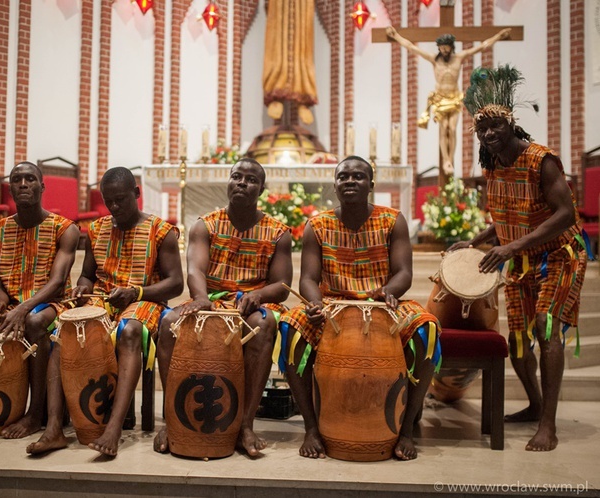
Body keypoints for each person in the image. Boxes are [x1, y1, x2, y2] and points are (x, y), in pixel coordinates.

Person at [452, 65, 590, 452]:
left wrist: (511, 248)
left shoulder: (541, 160)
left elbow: (566, 215)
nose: (489, 133)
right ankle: (534, 405)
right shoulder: (492, 165)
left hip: (560, 257)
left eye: (495, 125)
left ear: (511, 123)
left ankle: (549, 424)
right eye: (482, 129)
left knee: (545, 328)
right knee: (516, 341)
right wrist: (473, 241)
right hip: (522, 261)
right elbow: (506, 221)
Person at [280, 156, 441, 460]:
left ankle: (406, 430)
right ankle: (311, 427)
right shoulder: (317, 224)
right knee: (290, 327)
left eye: (358, 176)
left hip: (383, 301)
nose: (350, 181)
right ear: (335, 185)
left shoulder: (392, 220)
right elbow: (308, 278)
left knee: (426, 329)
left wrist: (388, 293)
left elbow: (403, 273)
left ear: (371, 184)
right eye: (343, 177)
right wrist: (314, 304)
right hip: (331, 305)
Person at [27, 167, 183, 456]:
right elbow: (87, 274)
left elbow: (175, 284)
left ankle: (113, 428)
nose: (114, 207)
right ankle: (53, 428)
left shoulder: (162, 231)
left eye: (121, 199)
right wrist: (82, 288)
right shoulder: (97, 229)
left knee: (130, 330)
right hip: (105, 298)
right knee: (66, 329)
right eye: (108, 201)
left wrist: (136, 292)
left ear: (137, 194)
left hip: (145, 299)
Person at [154, 158, 293, 457]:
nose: (242, 183)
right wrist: (201, 297)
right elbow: (195, 270)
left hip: (249, 303)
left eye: (250, 179)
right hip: (210, 297)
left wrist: (257, 294)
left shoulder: (278, 231)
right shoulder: (206, 224)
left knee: (264, 324)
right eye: (236, 176)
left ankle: (245, 425)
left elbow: (281, 285)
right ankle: (172, 421)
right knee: (167, 324)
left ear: (262, 189)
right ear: (228, 182)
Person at [0, 161, 79, 439]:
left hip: (54, 303)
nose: (23, 184)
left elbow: (58, 281)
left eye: (30, 179)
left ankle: (36, 414)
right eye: (17, 180)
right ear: (10, 187)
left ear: (42, 187)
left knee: (36, 321)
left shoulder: (65, 228)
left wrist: (23, 309)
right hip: (15, 304)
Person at [385, 26, 511, 177]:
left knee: (451, 129)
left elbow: (482, 46)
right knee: (443, 128)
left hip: (454, 99)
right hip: (440, 100)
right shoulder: (434, 59)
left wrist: (498, 36)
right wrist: (396, 36)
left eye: (446, 48)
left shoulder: (459, 58)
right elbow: (412, 47)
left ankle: (450, 158)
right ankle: (446, 160)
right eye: (441, 48)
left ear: (452, 48)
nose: (444, 51)